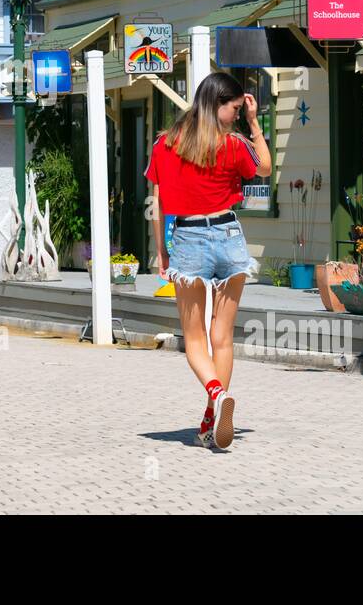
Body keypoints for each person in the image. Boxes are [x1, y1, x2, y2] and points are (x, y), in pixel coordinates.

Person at [146, 72, 272, 450]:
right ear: (219, 104)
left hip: (188, 238)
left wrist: (162, 251)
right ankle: (210, 418)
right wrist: (254, 124)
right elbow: (265, 168)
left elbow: (158, 206)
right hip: (230, 236)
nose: (236, 116)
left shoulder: (165, 145)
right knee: (223, 338)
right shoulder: (233, 145)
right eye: (234, 109)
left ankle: (216, 396)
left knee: (195, 338)